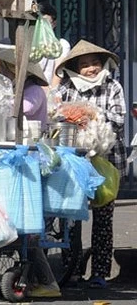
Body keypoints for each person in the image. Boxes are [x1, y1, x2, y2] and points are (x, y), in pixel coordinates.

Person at [0, 48, 62, 298]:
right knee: (22, 224)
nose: (6, 75)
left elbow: (24, 109)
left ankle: (47, 280)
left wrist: (1, 99)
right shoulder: (16, 91)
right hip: (18, 156)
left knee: (29, 227)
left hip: (30, 158)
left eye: (10, 71)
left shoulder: (33, 91)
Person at [56, 39, 126, 289]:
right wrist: (73, 114)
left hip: (107, 162)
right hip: (74, 162)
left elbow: (119, 119)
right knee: (71, 218)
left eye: (95, 63)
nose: (91, 69)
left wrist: (94, 114)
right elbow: (55, 113)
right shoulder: (66, 87)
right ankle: (71, 271)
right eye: (84, 65)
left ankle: (99, 273)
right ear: (75, 67)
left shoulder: (113, 86)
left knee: (103, 220)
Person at [37, 2, 71, 89]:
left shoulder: (62, 45)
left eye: (46, 23)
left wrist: (50, 92)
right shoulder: (24, 43)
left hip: (47, 92)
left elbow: (58, 73)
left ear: (54, 23)